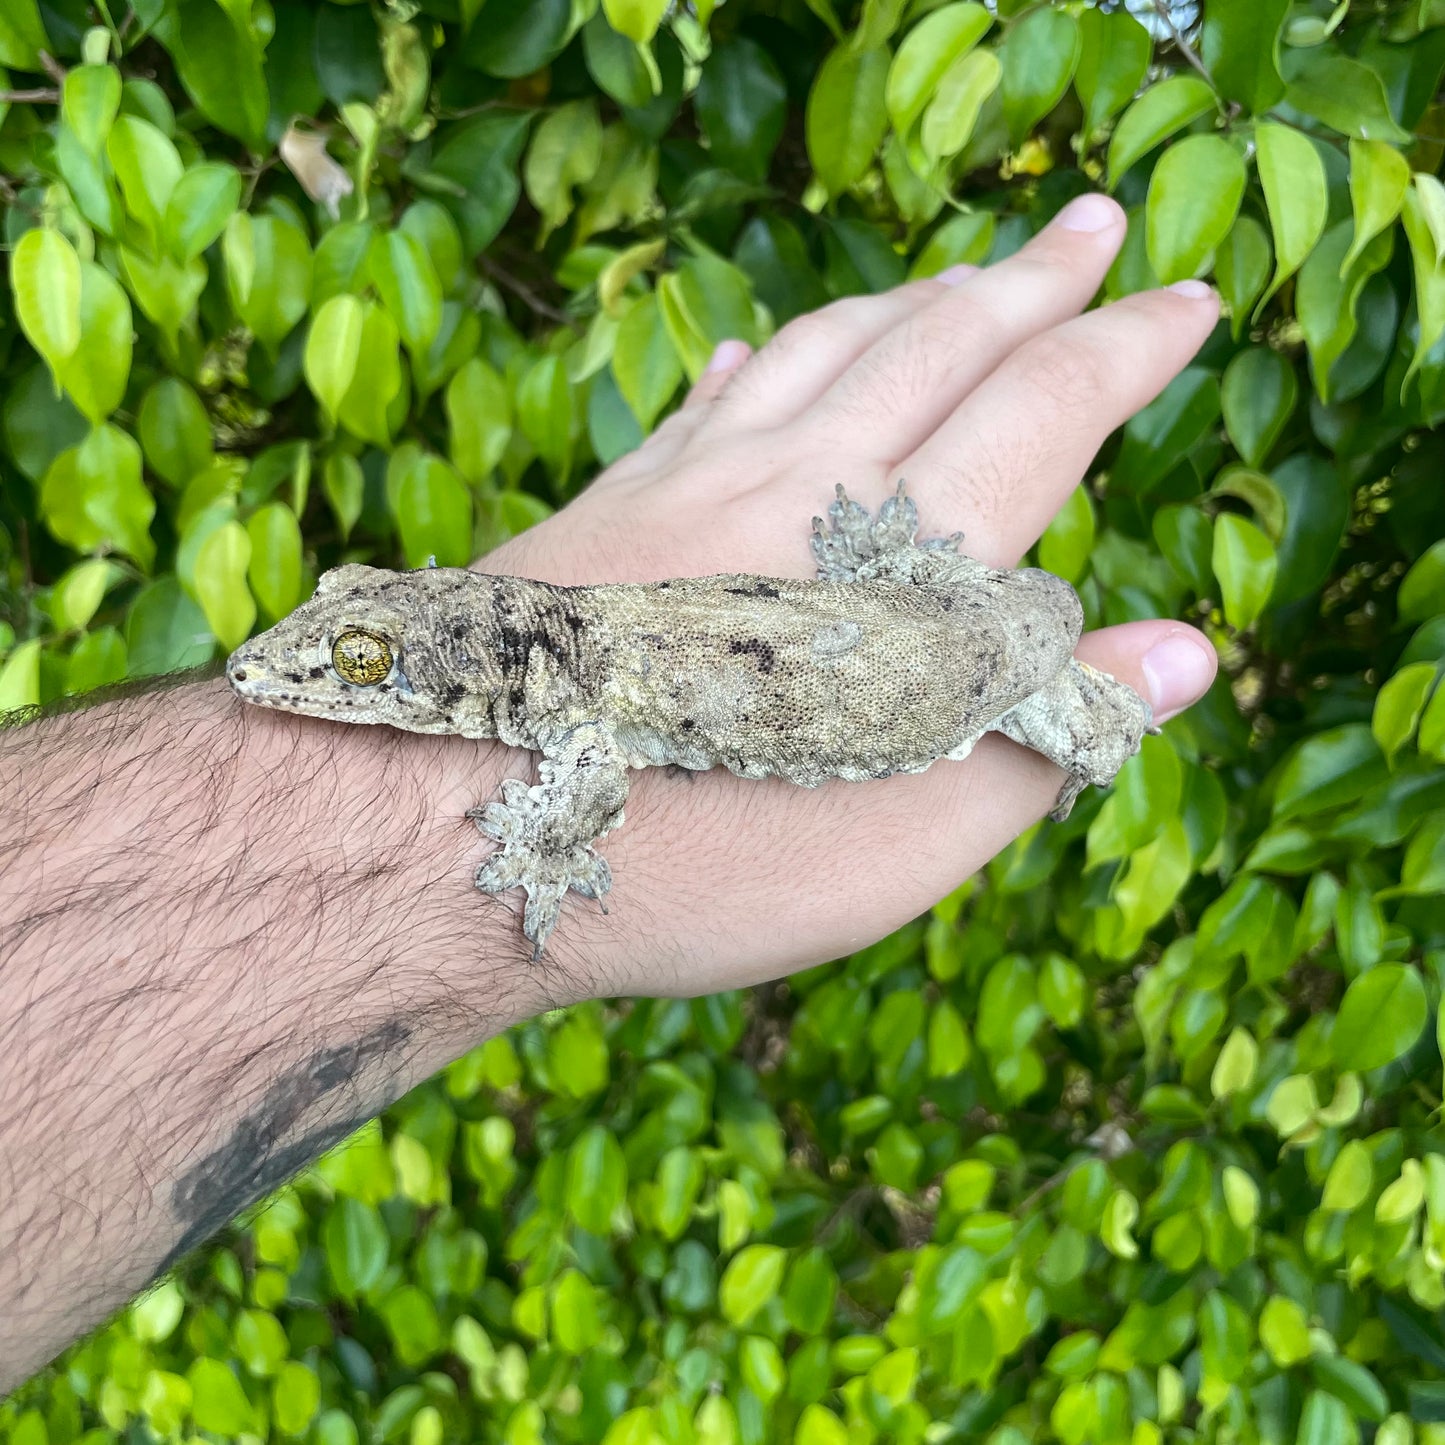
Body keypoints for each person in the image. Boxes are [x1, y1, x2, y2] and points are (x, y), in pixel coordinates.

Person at [0, 192, 1219, 1391]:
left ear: (452, 670)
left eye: (362, 660)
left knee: (1085, 727)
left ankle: (1085, 717)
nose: (283, 670)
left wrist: (531, 852)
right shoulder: (559, 644)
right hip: (918, 600)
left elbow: (580, 799)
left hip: (994, 665)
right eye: (345, 637)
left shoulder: (581, 723)